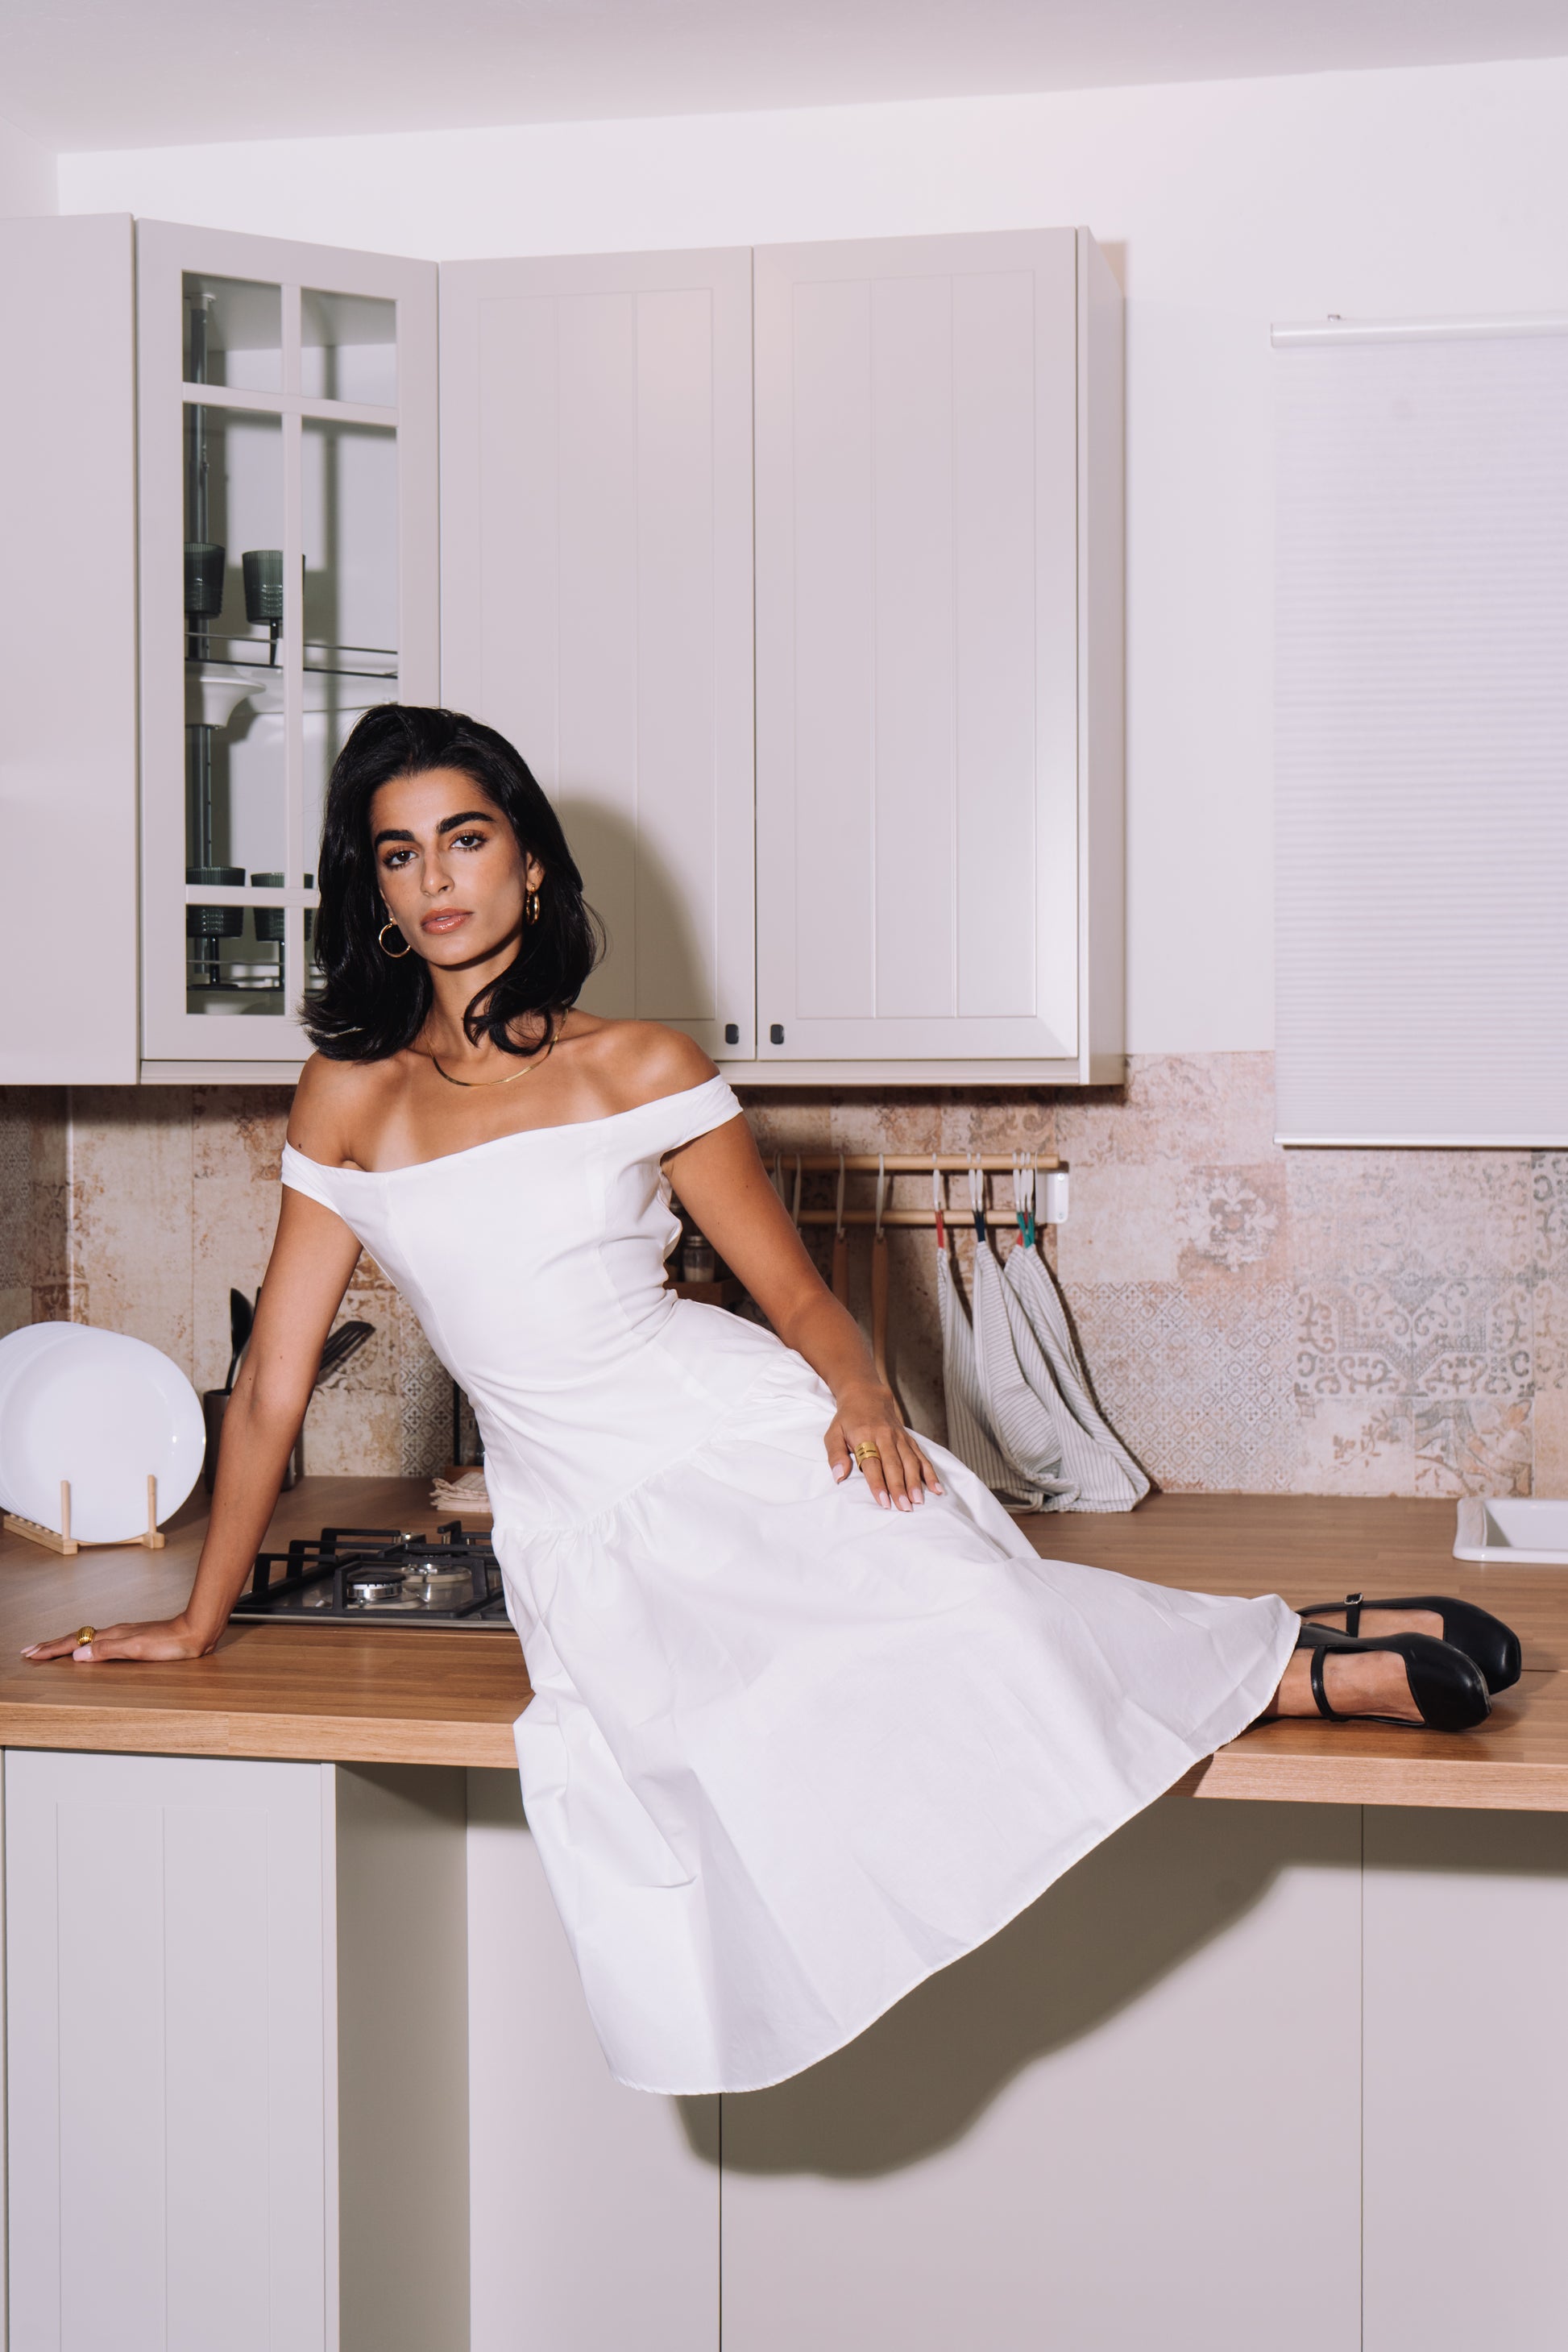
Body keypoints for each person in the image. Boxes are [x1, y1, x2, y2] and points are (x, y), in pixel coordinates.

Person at [24, 707, 1521, 2097]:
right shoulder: (348, 1092)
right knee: (774, 1723)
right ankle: (1290, 1648)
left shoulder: (640, 1065)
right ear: (374, 889)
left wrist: (863, 1394)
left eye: (464, 839)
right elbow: (272, 1383)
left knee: (955, 1623)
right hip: (582, 1509)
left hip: (738, 1427)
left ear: (529, 863)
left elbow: (796, 1295)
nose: (436, 880)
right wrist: (201, 1619)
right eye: (399, 853)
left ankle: (1304, 1672)